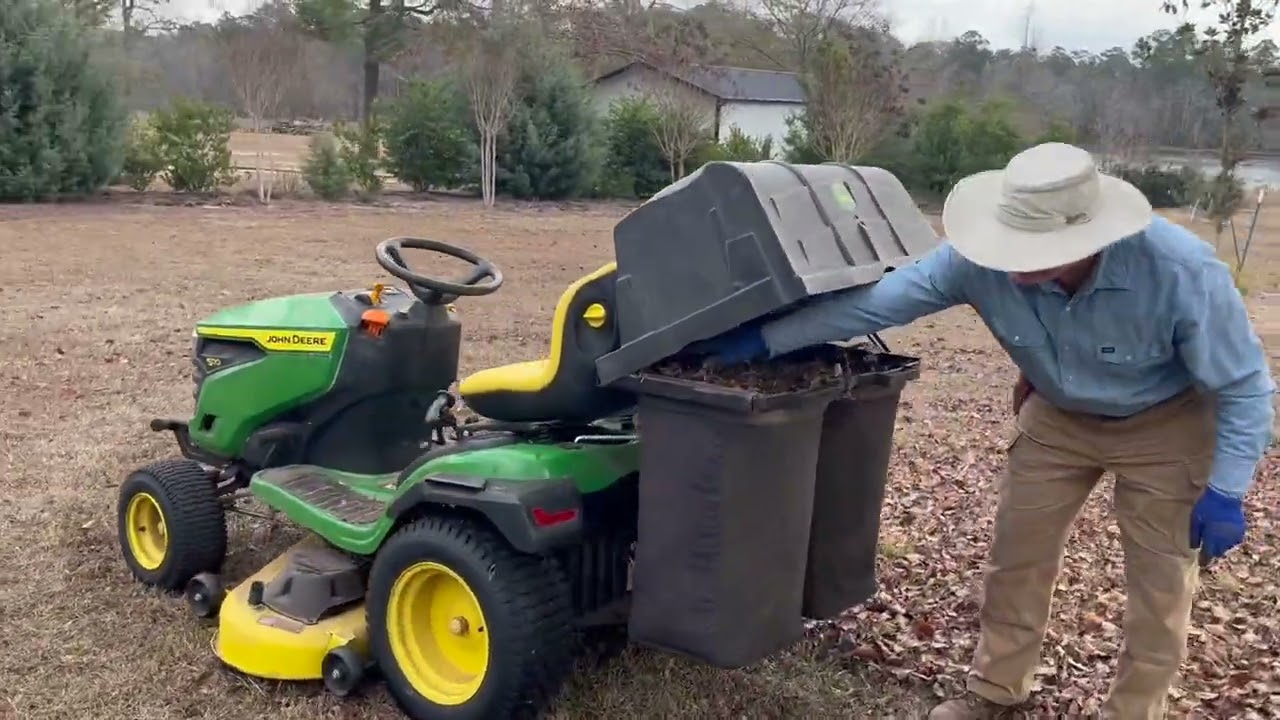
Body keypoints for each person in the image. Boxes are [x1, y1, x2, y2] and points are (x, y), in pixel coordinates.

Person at [701, 142, 1275, 719]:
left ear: (1087, 239)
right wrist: (766, 340)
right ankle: (997, 689)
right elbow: (877, 304)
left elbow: (1245, 387)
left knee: (1160, 583)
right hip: (1057, 415)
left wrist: (1227, 488)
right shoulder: (976, 261)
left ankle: (1134, 711)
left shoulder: (1180, 271)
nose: (1014, 266)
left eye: (1036, 251)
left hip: (1166, 424)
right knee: (1016, 558)